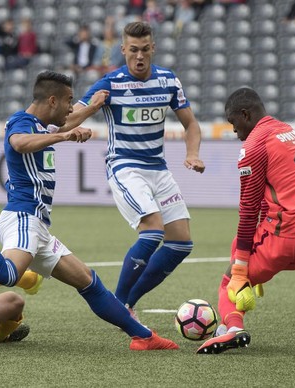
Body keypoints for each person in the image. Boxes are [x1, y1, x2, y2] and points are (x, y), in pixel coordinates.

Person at [0, 70, 180, 350]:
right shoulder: (21, 122)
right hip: (23, 217)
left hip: (38, 226)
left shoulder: (42, 125)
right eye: (69, 100)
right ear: (53, 101)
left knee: (89, 281)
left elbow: (66, 124)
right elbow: (19, 143)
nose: (72, 107)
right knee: (7, 274)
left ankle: (143, 337)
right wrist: (63, 138)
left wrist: (91, 109)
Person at [68, 21, 205, 323]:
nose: (139, 56)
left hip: (159, 169)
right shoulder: (110, 83)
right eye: (133, 50)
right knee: (153, 231)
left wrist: (192, 153)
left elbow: (191, 124)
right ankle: (118, 307)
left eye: (145, 50)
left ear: (153, 48)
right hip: (125, 167)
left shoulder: (168, 81)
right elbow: (66, 120)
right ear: (123, 50)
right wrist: (92, 109)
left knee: (181, 243)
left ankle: (126, 302)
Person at [196, 87, 295, 354]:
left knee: (231, 278)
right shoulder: (290, 131)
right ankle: (241, 299)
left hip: (289, 237)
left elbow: (249, 210)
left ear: (245, 114)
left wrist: (241, 268)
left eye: (233, 123)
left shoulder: (253, 146)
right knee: (243, 251)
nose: (234, 131)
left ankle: (232, 329)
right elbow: (268, 196)